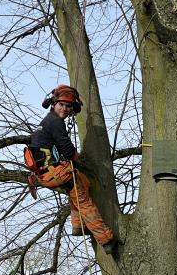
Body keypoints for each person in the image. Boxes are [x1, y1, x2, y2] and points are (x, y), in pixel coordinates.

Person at [29, 84, 115, 254]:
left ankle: (78, 225)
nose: (65, 109)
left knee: (83, 183)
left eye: (68, 106)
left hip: (46, 174)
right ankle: (106, 240)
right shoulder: (55, 123)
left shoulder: (46, 123)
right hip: (56, 172)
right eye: (62, 105)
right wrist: (80, 161)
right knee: (84, 202)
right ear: (54, 104)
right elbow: (67, 149)